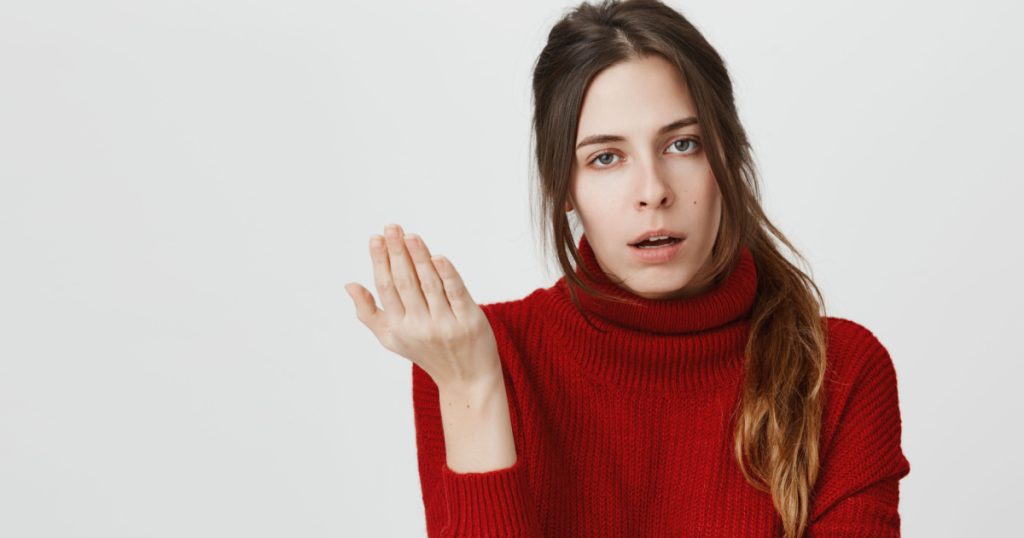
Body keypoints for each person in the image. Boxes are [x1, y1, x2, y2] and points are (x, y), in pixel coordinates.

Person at [345, 0, 911, 536]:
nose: (652, 191)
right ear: (562, 187)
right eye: (606, 158)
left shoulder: (839, 372)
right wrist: (473, 387)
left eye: (683, 144)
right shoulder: (475, 358)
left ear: (730, 156)